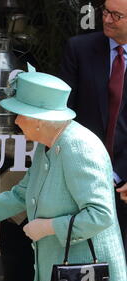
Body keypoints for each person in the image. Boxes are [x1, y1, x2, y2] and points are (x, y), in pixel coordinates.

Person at [0, 70, 127, 281]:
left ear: (40, 119)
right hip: (60, 268)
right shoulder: (46, 144)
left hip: (85, 276)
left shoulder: (79, 147)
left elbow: (100, 215)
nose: (16, 121)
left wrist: (48, 227)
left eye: (20, 114)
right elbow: (19, 195)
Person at [60, 0, 127, 253]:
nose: (107, 19)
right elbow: (65, 115)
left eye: (117, 15)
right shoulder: (80, 49)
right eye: (106, 12)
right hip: (86, 176)